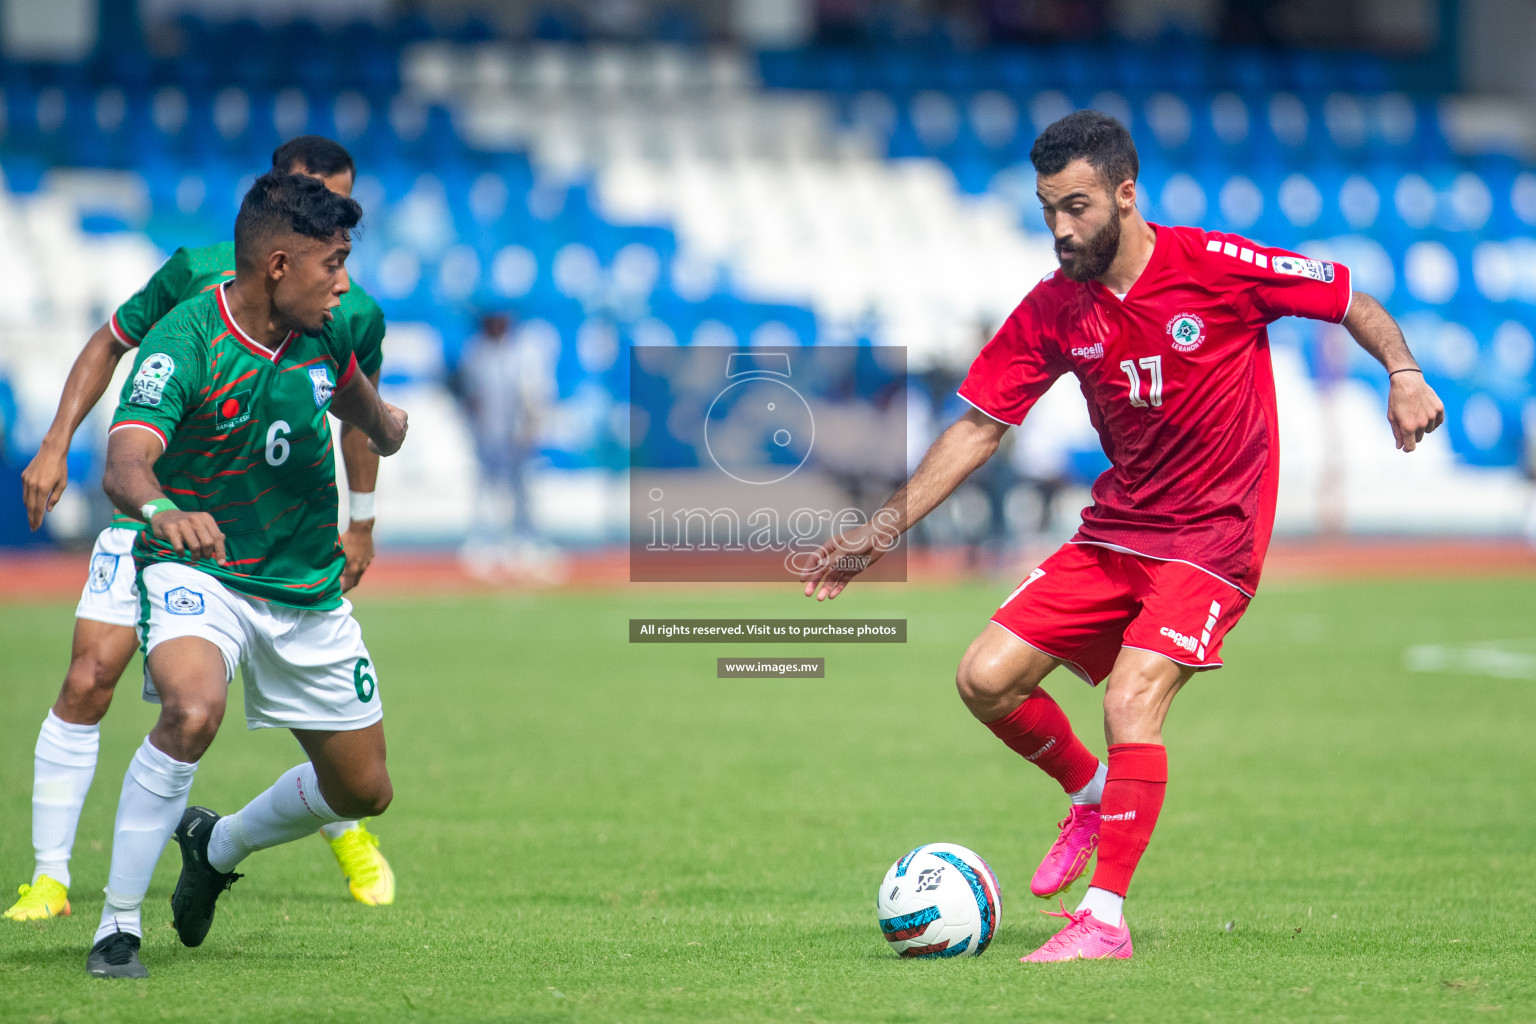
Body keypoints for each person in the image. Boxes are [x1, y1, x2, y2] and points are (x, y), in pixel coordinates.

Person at [800, 110, 1444, 962]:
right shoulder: (1054, 308)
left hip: (1215, 536)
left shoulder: (1219, 267)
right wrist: (879, 531)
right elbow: (980, 426)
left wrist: (1403, 372)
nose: (1061, 229)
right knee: (984, 678)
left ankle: (1104, 919)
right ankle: (1094, 794)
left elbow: (1347, 297)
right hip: (1118, 530)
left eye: (1077, 207)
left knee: (1130, 697)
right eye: (1047, 210)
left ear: (1125, 195)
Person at [6, 137, 395, 926]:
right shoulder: (196, 283)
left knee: (358, 774)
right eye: (311, 192)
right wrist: (57, 444)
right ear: (274, 203)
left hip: (280, 549)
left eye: (341, 199)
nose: (327, 208)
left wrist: (363, 515)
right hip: (176, 525)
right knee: (100, 678)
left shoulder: (341, 311)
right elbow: (113, 346)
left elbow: (361, 411)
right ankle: (59, 882)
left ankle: (289, 831)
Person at [455, 312, 558, 574]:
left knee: (522, 488)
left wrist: (529, 428)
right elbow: (470, 395)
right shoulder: (475, 354)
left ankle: (526, 539)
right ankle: (486, 541)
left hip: (516, 435)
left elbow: (531, 395)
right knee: (486, 489)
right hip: (487, 434)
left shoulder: (521, 353)